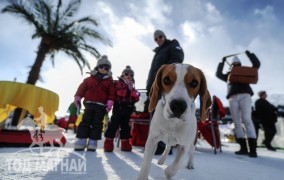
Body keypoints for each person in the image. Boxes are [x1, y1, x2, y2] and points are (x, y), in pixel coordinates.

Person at [144, 29, 184, 155]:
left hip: (165, 85)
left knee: (165, 114)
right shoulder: (159, 51)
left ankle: (165, 145)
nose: (158, 39)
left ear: (164, 36)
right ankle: (155, 143)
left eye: (160, 36)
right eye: (155, 39)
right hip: (154, 87)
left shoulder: (172, 44)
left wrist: (166, 77)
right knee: (155, 115)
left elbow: (178, 58)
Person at [216, 50, 260, 158]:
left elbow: (256, 65)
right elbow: (218, 74)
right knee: (237, 122)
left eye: (237, 64)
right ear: (231, 65)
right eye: (233, 64)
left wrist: (249, 54)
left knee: (247, 120)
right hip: (232, 98)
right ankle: (243, 148)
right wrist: (222, 62)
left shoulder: (245, 71)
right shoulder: (228, 75)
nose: (235, 65)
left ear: (239, 64)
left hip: (245, 95)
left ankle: (253, 150)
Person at [73, 55, 115, 151]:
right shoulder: (89, 79)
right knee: (85, 121)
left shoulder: (110, 82)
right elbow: (82, 88)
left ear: (108, 69)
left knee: (97, 123)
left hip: (101, 106)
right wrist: (78, 97)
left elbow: (111, 93)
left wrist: (110, 102)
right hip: (89, 104)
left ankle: (93, 141)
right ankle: (81, 140)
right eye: (101, 66)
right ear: (97, 67)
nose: (103, 69)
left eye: (106, 67)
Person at [104, 66, 140, 152]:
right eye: (126, 74)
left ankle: (125, 143)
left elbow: (135, 98)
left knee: (125, 126)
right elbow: (119, 93)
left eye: (131, 75)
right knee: (114, 124)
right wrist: (130, 92)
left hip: (128, 108)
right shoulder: (118, 83)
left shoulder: (131, 86)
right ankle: (108, 142)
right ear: (122, 75)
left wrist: (135, 95)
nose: (129, 76)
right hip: (119, 107)